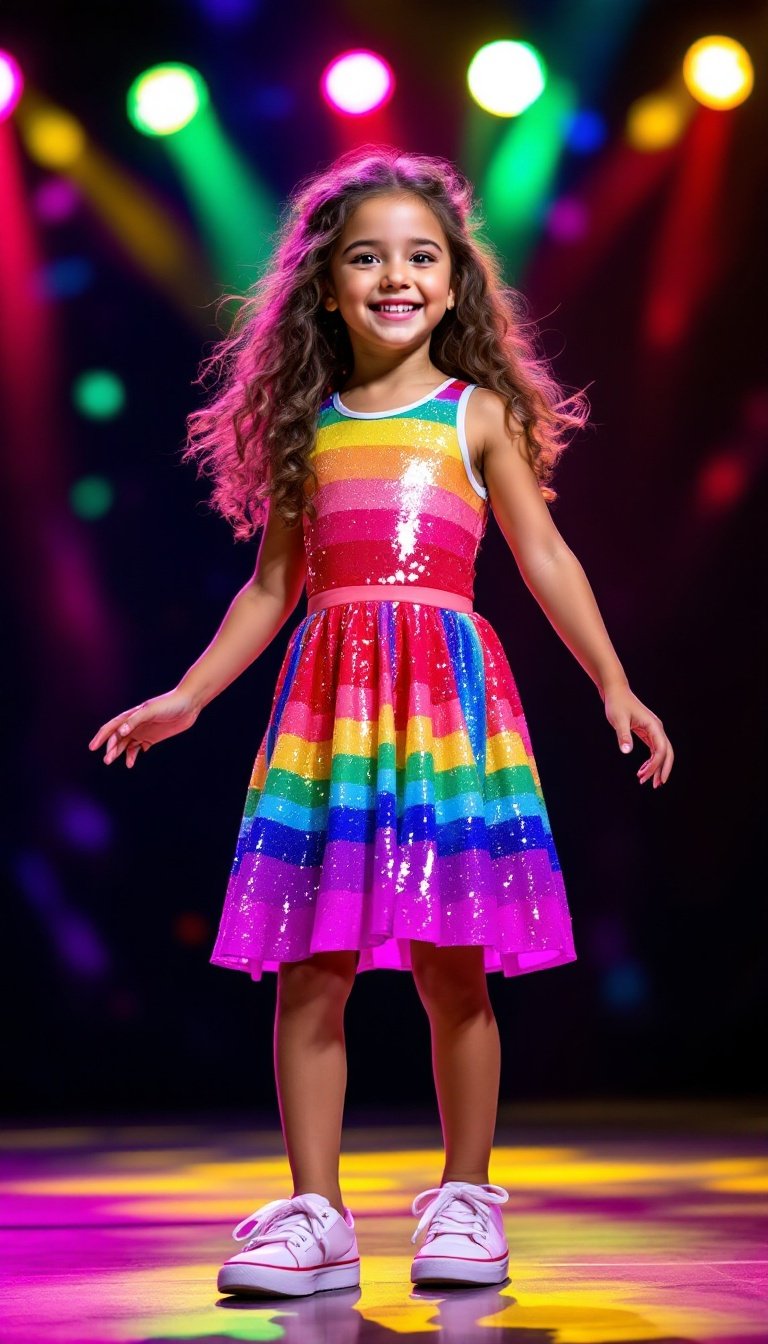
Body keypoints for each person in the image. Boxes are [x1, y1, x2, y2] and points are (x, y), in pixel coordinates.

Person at [88, 145, 674, 1299]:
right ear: (325, 285)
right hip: (334, 715)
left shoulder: (477, 415)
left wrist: (614, 681)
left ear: (455, 285)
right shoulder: (306, 427)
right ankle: (317, 1214)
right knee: (312, 966)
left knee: (457, 964)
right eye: (367, 257)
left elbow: (545, 555)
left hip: (445, 708)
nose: (396, 275)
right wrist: (189, 695)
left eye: (421, 257)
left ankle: (466, 1199)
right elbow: (272, 588)